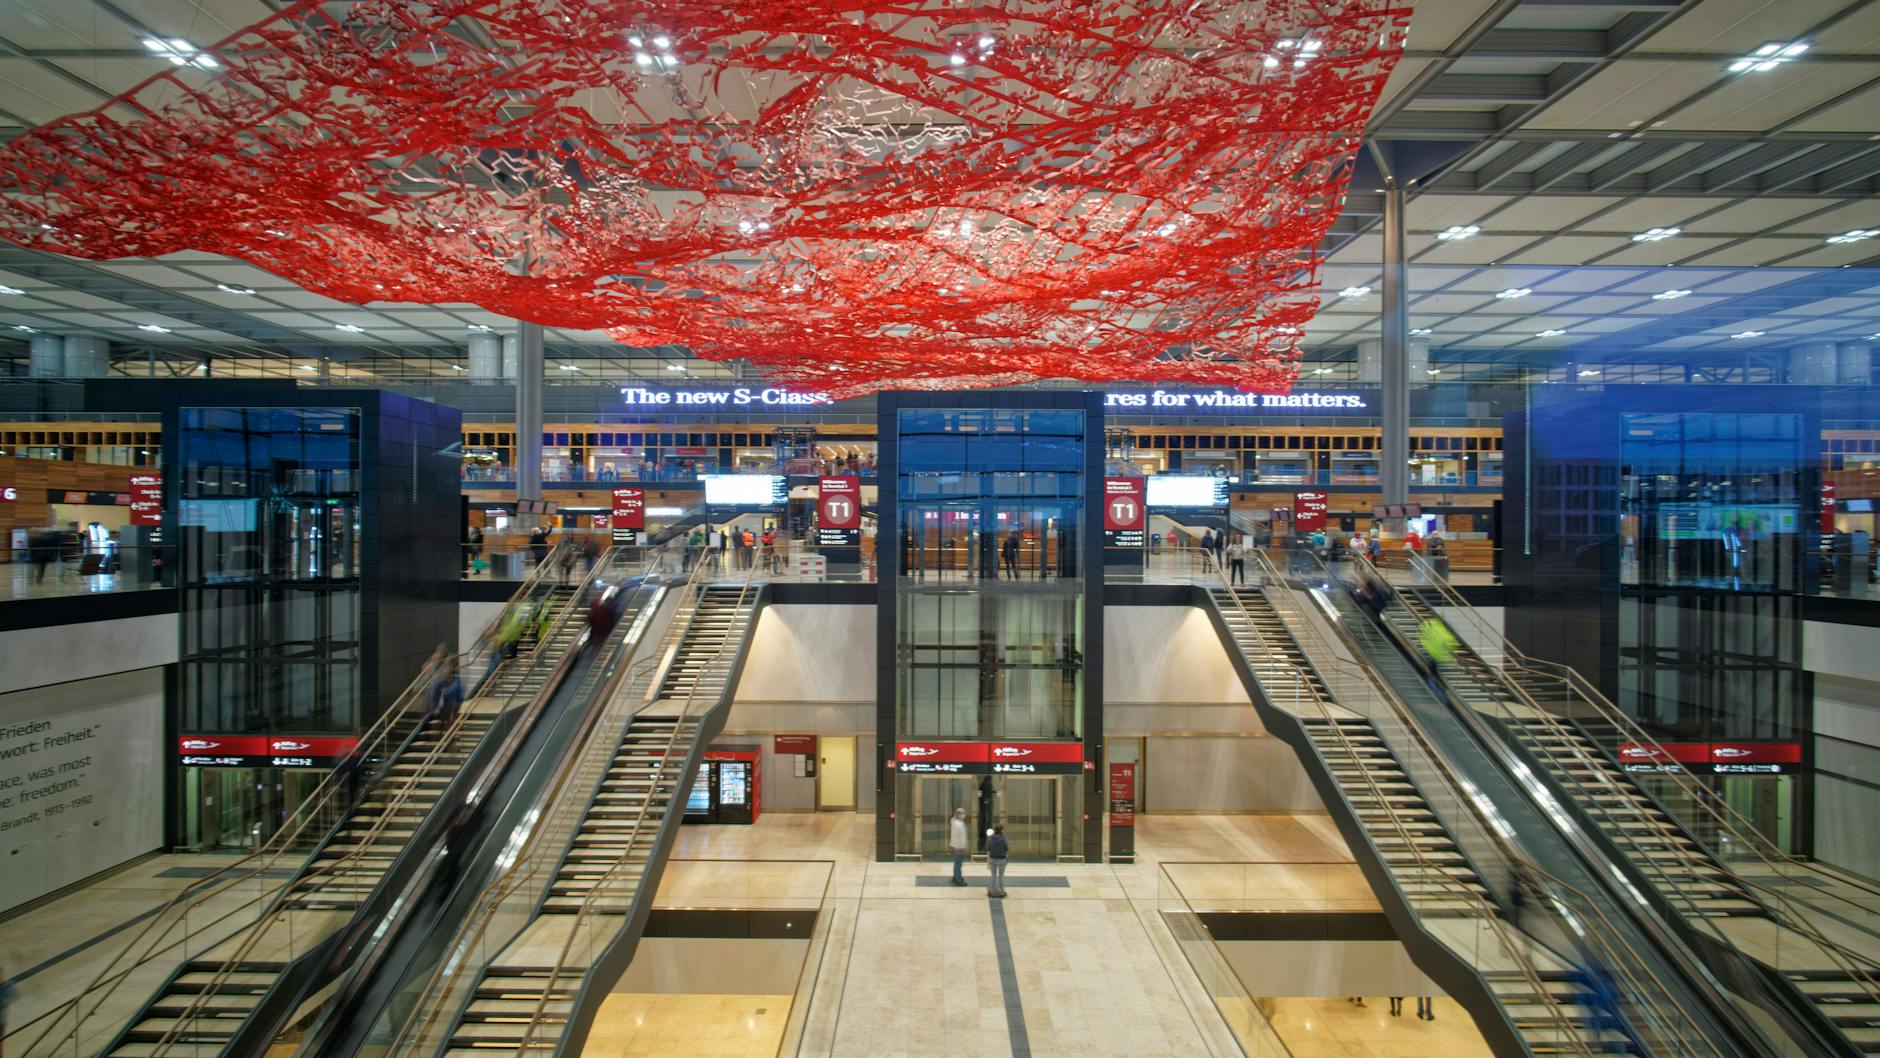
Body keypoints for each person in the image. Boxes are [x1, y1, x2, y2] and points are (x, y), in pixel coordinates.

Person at [986, 823, 1010, 898]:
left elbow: (988, 848)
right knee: (1001, 876)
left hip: (992, 859)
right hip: (1002, 859)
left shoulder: (990, 838)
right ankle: (1002, 892)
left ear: (994, 830)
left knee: (993, 875)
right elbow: (1007, 848)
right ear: (1002, 830)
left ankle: (992, 892)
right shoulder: (1004, 838)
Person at [948, 807, 970, 886]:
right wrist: (963, 847)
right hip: (959, 847)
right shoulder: (959, 824)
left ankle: (955, 876)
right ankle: (958, 879)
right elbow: (962, 837)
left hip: (956, 845)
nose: (964, 815)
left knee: (957, 862)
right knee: (958, 864)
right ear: (959, 815)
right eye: (962, 813)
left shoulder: (954, 821)